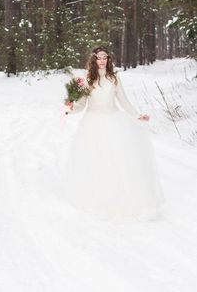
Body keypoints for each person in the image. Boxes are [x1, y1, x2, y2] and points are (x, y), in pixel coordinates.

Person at [62, 46, 165, 222]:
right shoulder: (87, 80)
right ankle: (96, 198)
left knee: (118, 160)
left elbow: (123, 100)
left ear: (108, 59)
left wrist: (137, 115)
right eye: (99, 57)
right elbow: (81, 105)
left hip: (112, 120)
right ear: (93, 60)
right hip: (92, 124)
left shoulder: (114, 78)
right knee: (96, 161)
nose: (102, 60)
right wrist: (69, 108)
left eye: (105, 57)